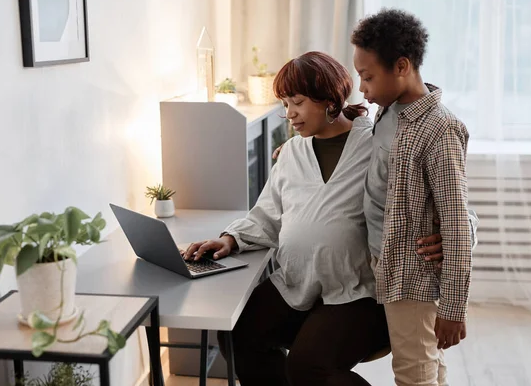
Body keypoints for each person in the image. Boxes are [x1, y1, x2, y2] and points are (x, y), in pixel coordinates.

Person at [181, 51, 445, 386]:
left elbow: (448, 201)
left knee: (309, 367)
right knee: (236, 335)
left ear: (329, 100)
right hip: (296, 284)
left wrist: (449, 234)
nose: (289, 114)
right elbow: (266, 215)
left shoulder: (377, 146)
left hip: (358, 292)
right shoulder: (291, 153)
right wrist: (230, 239)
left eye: (298, 102)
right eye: (285, 104)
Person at [351, 8, 474, 386]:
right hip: (386, 264)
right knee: (425, 365)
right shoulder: (388, 111)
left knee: (413, 371)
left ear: (401, 66)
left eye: (367, 77)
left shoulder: (440, 129)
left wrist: (453, 308)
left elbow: (456, 222)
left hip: (414, 276)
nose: (362, 87)